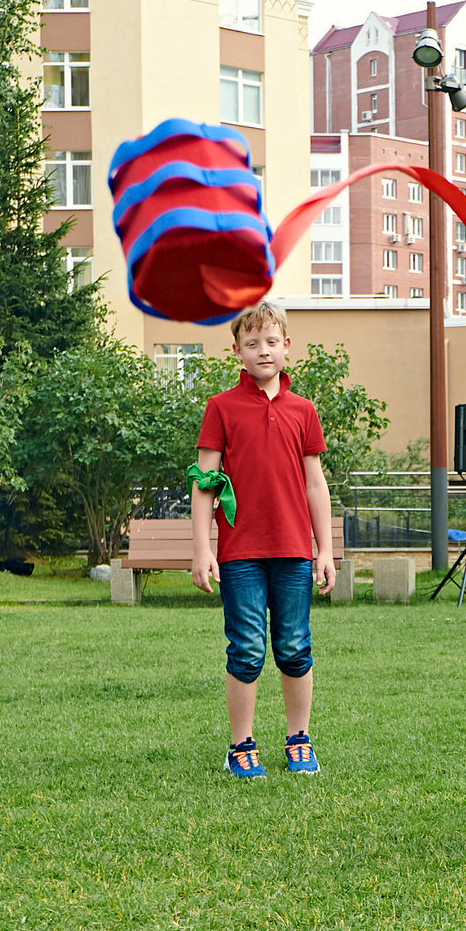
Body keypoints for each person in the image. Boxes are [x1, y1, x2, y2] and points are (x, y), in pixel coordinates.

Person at [191, 301, 336, 778]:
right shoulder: (221, 408)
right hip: (240, 555)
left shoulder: (303, 411)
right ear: (237, 351)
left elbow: (316, 483)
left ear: (286, 347)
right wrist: (202, 548)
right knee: (247, 649)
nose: (263, 351)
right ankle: (241, 745)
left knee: (294, 647)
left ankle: (299, 739)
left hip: (294, 552)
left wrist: (325, 548)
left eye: (271, 342)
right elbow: (204, 483)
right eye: (252, 344)